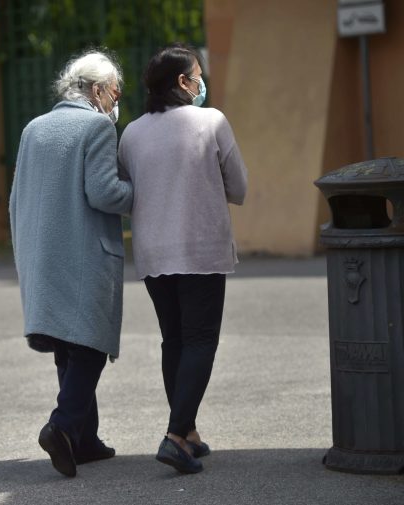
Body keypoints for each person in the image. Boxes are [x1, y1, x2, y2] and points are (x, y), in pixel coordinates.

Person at [118, 44, 247, 474]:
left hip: (153, 252)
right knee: (200, 340)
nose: (201, 81)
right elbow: (239, 188)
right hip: (201, 248)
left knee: (173, 339)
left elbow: (127, 188)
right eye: (197, 74)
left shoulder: (132, 133)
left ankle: (188, 431)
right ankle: (175, 436)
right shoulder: (212, 121)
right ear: (182, 82)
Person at [9, 50, 133, 478]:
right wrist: (142, 192)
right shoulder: (96, 126)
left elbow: (16, 197)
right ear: (97, 90)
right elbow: (104, 194)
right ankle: (62, 426)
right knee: (91, 345)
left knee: (67, 342)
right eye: (115, 91)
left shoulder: (34, 127)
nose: (116, 101)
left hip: (41, 251)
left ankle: (85, 439)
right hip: (83, 252)